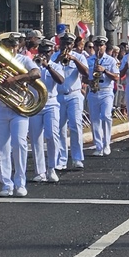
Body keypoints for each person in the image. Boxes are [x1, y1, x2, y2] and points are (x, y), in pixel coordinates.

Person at [0, 32, 40, 196]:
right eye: (8, 45)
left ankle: (20, 183)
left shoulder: (24, 60)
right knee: (2, 148)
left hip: (19, 108)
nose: (11, 48)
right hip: (0, 108)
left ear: (18, 46)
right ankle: (6, 184)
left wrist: (17, 78)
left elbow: (36, 73)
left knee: (19, 144)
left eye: (14, 45)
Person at [28, 41, 64, 183]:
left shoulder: (56, 66)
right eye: (41, 52)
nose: (43, 55)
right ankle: (40, 171)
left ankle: (51, 168)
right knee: (35, 138)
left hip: (51, 103)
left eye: (47, 52)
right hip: (36, 103)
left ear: (51, 53)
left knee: (52, 135)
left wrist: (48, 66)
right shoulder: (31, 65)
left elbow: (61, 81)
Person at [52, 33, 89, 171]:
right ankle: (61, 159)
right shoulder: (54, 57)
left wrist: (74, 59)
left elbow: (86, 72)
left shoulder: (79, 57)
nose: (66, 46)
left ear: (73, 45)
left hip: (74, 94)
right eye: (63, 43)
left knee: (75, 126)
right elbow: (48, 71)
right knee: (59, 129)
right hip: (58, 95)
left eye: (69, 43)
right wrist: (57, 61)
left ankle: (77, 158)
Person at [86, 36, 119, 156]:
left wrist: (104, 70)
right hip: (94, 90)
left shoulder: (111, 60)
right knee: (94, 119)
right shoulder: (89, 60)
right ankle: (98, 146)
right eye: (97, 46)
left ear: (105, 47)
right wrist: (89, 81)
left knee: (106, 116)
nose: (99, 48)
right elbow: (84, 76)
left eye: (101, 45)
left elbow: (116, 77)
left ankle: (107, 144)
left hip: (106, 90)